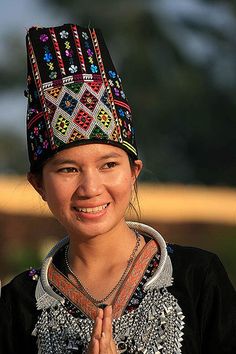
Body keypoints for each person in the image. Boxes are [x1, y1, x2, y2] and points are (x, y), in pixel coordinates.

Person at [0, 23, 235, 354]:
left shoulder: (198, 278)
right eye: (68, 169)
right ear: (38, 184)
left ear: (133, 171)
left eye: (108, 165)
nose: (91, 188)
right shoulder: (16, 305)